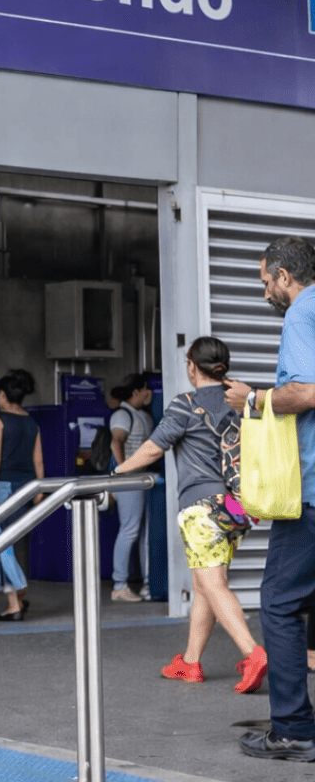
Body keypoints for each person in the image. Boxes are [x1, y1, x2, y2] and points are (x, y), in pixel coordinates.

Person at [114, 337, 267, 692]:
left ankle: (253, 653)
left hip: (202, 509)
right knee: (204, 586)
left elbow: (153, 448)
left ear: (192, 366)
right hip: (235, 508)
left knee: (213, 584)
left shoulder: (186, 404)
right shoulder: (240, 402)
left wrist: (118, 471)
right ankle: (190, 662)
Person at [224, 236, 315, 761]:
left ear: (284, 276)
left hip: (312, 495)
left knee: (279, 604)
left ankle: (294, 730)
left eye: (265, 282)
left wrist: (253, 398)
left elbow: (304, 391)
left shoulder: (302, 313)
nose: (264, 294)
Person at [0, 369, 45, 621]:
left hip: (5, 486)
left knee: (1, 543)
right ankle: (18, 599)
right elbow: (38, 460)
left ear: (3, 395)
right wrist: (40, 489)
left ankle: (15, 601)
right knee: (11, 541)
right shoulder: (31, 422)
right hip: (28, 487)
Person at [109, 374, 154, 602]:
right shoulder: (122, 414)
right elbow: (116, 441)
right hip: (129, 480)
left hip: (143, 479)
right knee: (129, 530)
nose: (150, 393)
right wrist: (123, 471)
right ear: (136, 392)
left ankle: (148, 583)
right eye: (146, 389)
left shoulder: (143, 415)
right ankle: (119, 585)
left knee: (145, 533)